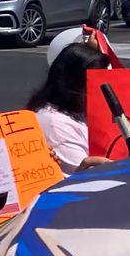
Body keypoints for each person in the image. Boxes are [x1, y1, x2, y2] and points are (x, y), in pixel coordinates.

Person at [28, 43, 111, 174]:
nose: (104, 88)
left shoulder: (82, 108)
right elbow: (90, 177)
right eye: (96, 81)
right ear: (75, 83)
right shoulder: (55, 124)